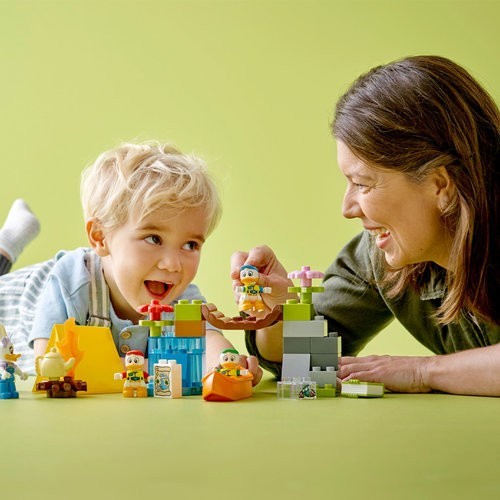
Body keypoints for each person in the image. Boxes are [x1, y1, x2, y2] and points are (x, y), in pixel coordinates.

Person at [230, 55, 500, 396]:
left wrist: (423, 371)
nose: (347, 209)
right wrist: (282, 311)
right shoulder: (380, 253)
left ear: (439, 184)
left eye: (362, 183)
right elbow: (302, 361)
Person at [0, 142, 262, 385]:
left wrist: (227, 363)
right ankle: (8, 242)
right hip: (15, 297)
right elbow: (52, 365)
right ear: (100, 237)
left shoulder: (181, 301)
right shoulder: (72, 282)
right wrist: (155, 367)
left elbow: (209, 344)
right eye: (154, 239)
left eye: (190, 245)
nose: (172, 264)